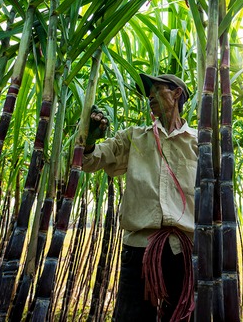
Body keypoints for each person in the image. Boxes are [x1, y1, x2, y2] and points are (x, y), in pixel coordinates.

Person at [82, 73, 197, 321]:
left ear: (176, 93)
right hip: (139, 250)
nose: (149, 97)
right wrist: (89, 139)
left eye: (156, 89)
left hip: (184, 252)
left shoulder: (199, 143)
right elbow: (89, 161)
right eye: (148, 92)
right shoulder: (134, 138)